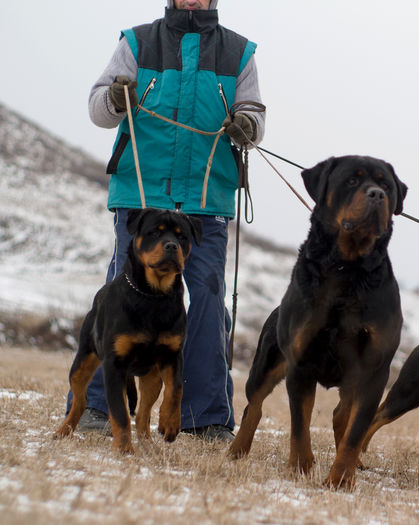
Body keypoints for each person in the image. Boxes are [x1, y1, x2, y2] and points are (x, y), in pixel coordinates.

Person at [68, 0, 265, 442]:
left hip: (205, 200)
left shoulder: (241, 52)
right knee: (117, 295)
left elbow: (255, 114)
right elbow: (99, 108)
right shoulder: (136, 41)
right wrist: (115, 98)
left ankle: (207, 416)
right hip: (141, 194)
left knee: (210, 297)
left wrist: (246, 125)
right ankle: (98, 407)